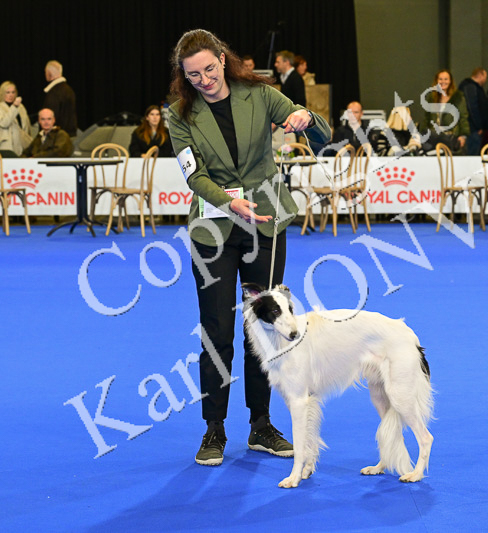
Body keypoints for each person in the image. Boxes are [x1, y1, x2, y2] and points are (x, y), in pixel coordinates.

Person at [167, 29, 330, 467]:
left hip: (265, 223)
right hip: (213, 230)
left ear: (223, 59)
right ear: (183, 75)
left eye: (209, 69)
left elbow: (319, 132)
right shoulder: (179, 114)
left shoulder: (259, 94)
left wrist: (305, 119)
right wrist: (228, 201)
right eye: (193, 75)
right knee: (217, 331)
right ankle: (214, 429)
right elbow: (194, 176)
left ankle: (261, 425)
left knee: (264, 329)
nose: (204, 80)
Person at [425, 69, 470, 153]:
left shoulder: (458, 97)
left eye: (446, 79)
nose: (443, 82)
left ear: (450, 81)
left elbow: (463, 117)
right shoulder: (431, 98)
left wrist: (463, 136)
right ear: (436, 81)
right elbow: (427, 118)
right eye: (440, 79)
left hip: (452, 138)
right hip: (434, 139)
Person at [0, 81, 32, 156]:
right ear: (2, 93)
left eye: (13, 92)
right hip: (7, 147)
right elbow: (4, 123)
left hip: (22, 146)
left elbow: (27, 126)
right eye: (8, 92)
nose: (11, 95)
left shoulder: (21, 107)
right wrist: (14, 107)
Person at [458, 67, 488, 155]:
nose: (485, 80)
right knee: (472, 156)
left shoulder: (471, 87)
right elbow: (472, 108)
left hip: (473, 129)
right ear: (480, 75)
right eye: (485, 77)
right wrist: (479, 126)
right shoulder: (470, 87)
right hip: (472, 130)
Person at [43, 60, 78, 136]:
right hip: (70, 135)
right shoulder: (69, 90)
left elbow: (49, 119)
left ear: (49, 73)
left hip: (57, 137)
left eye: (45, 72)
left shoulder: (54, 93)